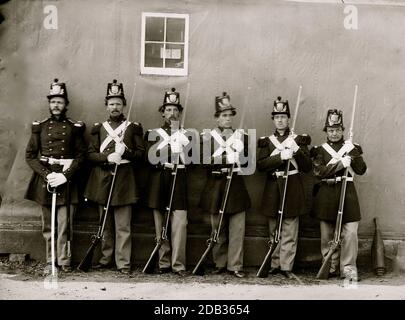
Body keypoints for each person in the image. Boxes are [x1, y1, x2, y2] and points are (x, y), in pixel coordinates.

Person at [25, 78, 86, 274]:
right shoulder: (40, 126)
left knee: (65, 223)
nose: (56, 105)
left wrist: (66, 176)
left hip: (67, 182)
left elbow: (81, 156)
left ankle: (65, 260)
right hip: (46, 181)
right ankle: (50, 260)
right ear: (49, 104)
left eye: (60, 101)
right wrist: (46, 174)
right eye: (53, 101)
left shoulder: (74, 127)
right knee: (48, 225)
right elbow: (30, 156)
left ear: (66, 104)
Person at [84, 79, 145, 274]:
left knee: (123, 225)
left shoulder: (133, 127)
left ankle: (123, 263)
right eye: (111, 103)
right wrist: (107, 157)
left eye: (118, 103)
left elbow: (141, 154)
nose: (115, 107)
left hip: (125, 182)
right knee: (105, 224)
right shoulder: (98, 128)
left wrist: (125, 152)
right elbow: (90, 154)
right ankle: (105, 259)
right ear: (106, 105)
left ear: (124, 104)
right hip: (102, 179)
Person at [257, 96, 312, 279]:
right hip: (274, 185)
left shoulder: (298, 140)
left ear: (288, 118)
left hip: (292, 184)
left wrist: (295, 150)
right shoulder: (266, 141)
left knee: (290, 227)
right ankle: (273, 263)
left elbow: (306, 168)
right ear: (273, 119)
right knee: (274, 227)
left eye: (283, 116)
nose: (280, 120)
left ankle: (286, 266)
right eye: (277, 117)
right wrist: (281, 157)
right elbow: (261, 165)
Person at [199, 92, 251, 278]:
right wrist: (226, 157)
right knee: (217, 229)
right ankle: (219, 263)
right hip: (216, 185)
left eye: (230, 115)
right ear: (217, 117)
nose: (227, 119)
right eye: (223, 115)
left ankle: (235, 265)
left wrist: (240, 156)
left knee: (237, 229)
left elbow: (248, 164)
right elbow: (203, 161)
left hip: (236, 186)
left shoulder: (241, 136)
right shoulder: (207, 137)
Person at [144, 88, 195, 277]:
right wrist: (166, 150)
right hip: (160, 179)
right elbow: (148, 159)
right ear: (163, 112)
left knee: (180, 224)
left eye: (175, 110)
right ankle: (163, 262)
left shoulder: (187, 135)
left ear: (179, 113)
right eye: (168, 109)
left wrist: (183, 148)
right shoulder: (153, 133)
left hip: (179, 179)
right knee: (161, 223)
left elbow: (192, 162)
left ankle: (178, 264)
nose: (172, 113)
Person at [311, 109, 367, 281]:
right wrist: (340, 163)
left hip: (347, 193)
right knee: (327, 234)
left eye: (337, 130)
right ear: (326, 131)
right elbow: (319, 172)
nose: (334, 133)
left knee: (350, 233)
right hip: (327, 193)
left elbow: (361, 170)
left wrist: (353, 152)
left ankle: (348, 269)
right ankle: (330, 266)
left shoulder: (352, 147)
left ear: (342, 130)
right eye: (330, 130)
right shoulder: (320, 150)